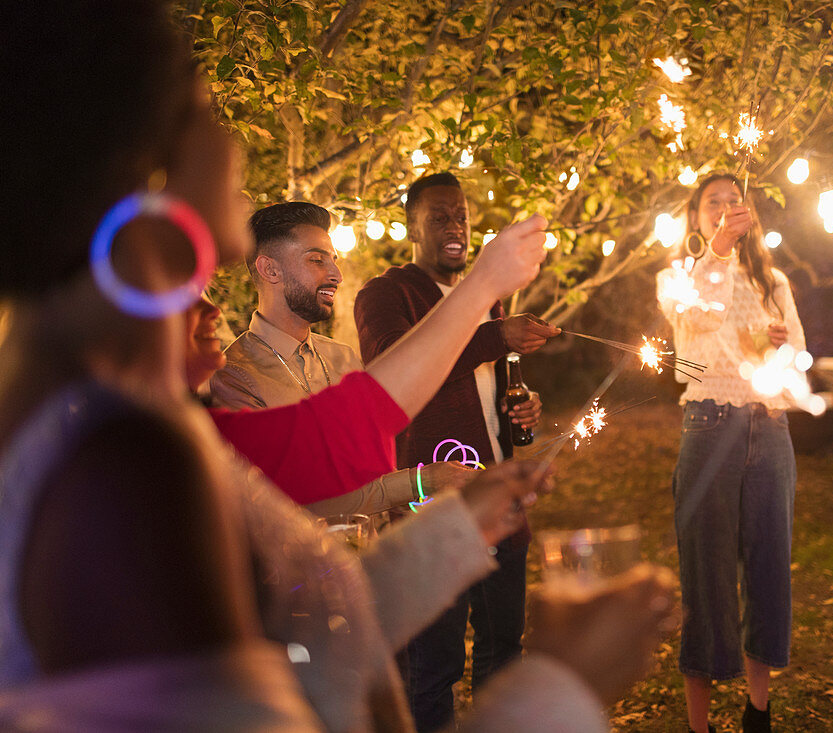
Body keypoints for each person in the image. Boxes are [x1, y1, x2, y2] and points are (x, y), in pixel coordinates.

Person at [0, 2, 678, 730]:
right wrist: (565, 683)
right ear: (148, 169)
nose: (231, 142)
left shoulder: (114, 406)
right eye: (205, 111)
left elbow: (309, 623)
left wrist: (459, 526)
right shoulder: (124, 464)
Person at [356, 171, 561, 731]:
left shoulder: (488, 305)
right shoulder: (387, 293)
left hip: (500, 503)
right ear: (410, 226)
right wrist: (496, 337)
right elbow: (389, 363)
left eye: (462, 217)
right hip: (432, 513)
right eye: (440, 217)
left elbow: (485, 387)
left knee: (503, 657)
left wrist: (521, 411)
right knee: (434, 668)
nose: (455, 228)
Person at [656, 173, 805, 733]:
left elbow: (798, 354)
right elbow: (692, 336)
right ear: (695, 218)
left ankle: (757, 710)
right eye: (710, 203)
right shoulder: (679, 278)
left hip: (769, 433)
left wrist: (783, 352)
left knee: (769, 567)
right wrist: (717, 252)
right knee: (706, 573)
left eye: (732, 201)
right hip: (709, 425)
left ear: (750, 215)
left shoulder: (776, 282)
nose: (723, 209)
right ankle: (699, 723)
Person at [210, 202, 362, 410]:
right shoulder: (235, 375)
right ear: (270, 270)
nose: (337, 275)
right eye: (317, 260)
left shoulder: (345, 358)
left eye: (334, 261)